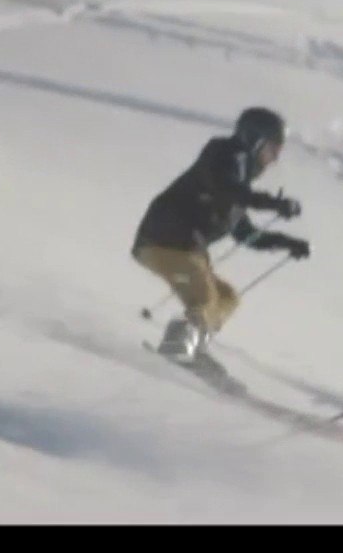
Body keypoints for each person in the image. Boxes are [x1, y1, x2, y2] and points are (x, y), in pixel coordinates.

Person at [132, 106, 311, 362]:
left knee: (226, 297)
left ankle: (192, 346)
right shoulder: (223, 155)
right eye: (272, 149)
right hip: (165, 240)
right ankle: (176, 347)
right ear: (255, 141)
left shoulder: (238, 183)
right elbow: (227, 189)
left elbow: (245, 234)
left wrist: (287, 243)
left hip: (181, 247)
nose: (274, 159)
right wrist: (273, 203)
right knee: (203, 297)